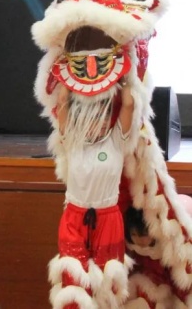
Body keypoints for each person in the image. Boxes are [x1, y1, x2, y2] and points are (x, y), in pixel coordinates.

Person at [55, 81, 134, 301]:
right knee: (74, 281)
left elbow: (128, 104)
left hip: (108, 219)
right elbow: (62, 101)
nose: (102, 122)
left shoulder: (116, 140)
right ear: (83, 117)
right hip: (74, 219)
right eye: (96, 117)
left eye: (105, 116)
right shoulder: (71, 139)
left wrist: (125, 75)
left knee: (108, 283)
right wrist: (68, 72)